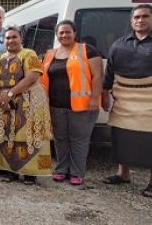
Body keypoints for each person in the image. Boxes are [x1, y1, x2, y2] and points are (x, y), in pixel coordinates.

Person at [101, 4, 152, 198]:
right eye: (136, 17)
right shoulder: (119, 44)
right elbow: (110, 73)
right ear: (131, 21)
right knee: (122, 138)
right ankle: (123, 174)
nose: (140, 20)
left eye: (145, 16)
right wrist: (105, 94)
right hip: (124, 98)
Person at [40, 20, 103, 186]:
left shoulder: (87, 50)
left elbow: (98, 76)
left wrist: (95, 98)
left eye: (68, 32)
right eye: (60, 33)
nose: (64, 35)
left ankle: (77, 172)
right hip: (56, 106)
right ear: (56, 35)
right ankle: (61, 170)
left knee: (79, 140)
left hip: (82, 105)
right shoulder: (50, 54)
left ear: (75, 33)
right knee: (60, 139)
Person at [0, 26, 53, 185]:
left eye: (14, 37)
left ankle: (30, 173)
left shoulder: (28, 54)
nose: (11, 41)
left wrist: (10, 94)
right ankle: (8, 170)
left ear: (21, 39)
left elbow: (32, 76)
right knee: (5, 134)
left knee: (28, 135)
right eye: (8, 38)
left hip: (28, 100)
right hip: (4, 103)